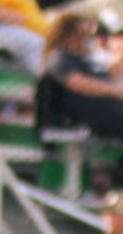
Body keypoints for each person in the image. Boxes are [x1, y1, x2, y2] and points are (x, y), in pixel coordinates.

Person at [37, 12, 123, 144]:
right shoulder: (60, 58)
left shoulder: (89, 61)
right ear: (70, 36)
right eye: (84, 35)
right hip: (86, 116)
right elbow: (76, 82)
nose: (88, 39)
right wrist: (114, 90)